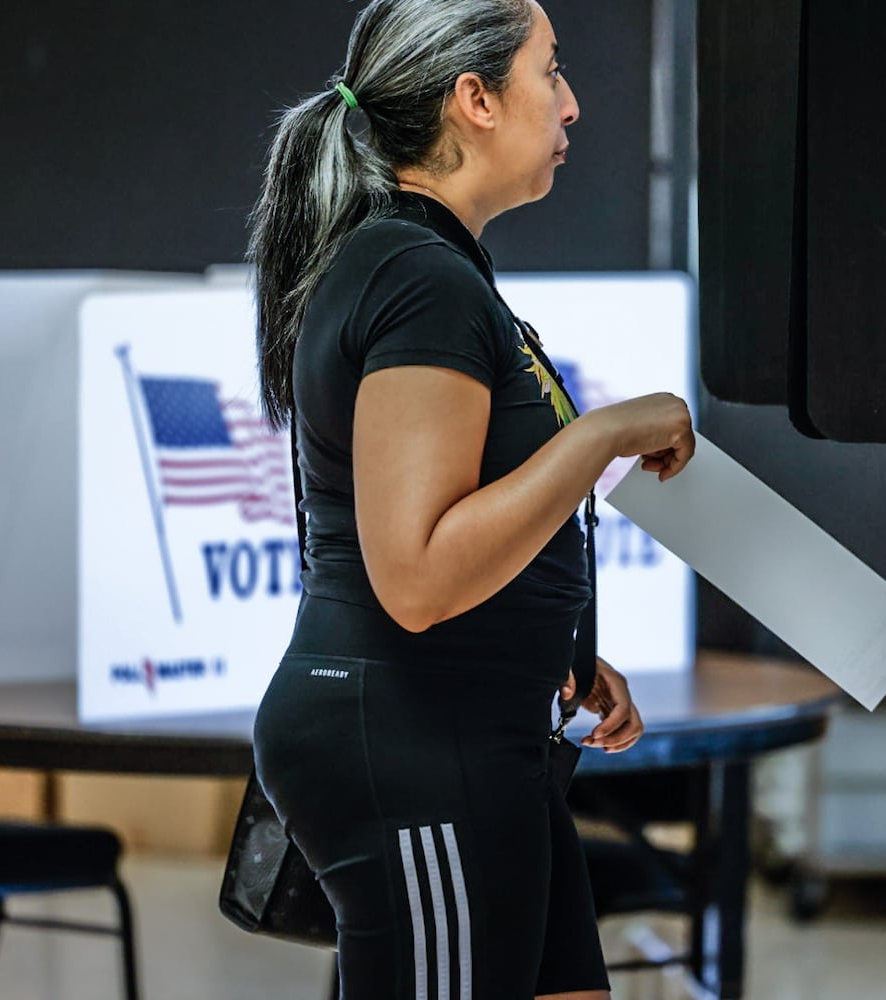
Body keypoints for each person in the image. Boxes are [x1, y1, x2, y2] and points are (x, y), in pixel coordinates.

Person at [248, 1, 695, 997]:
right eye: (550, 72)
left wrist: (554, 648)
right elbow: (415, 576)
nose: (572, 105)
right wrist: (605, 435)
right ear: (473, 100)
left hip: (475, 730)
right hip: (416, 746)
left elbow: (453, 532)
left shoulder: (430, 268)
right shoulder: (416, 279)